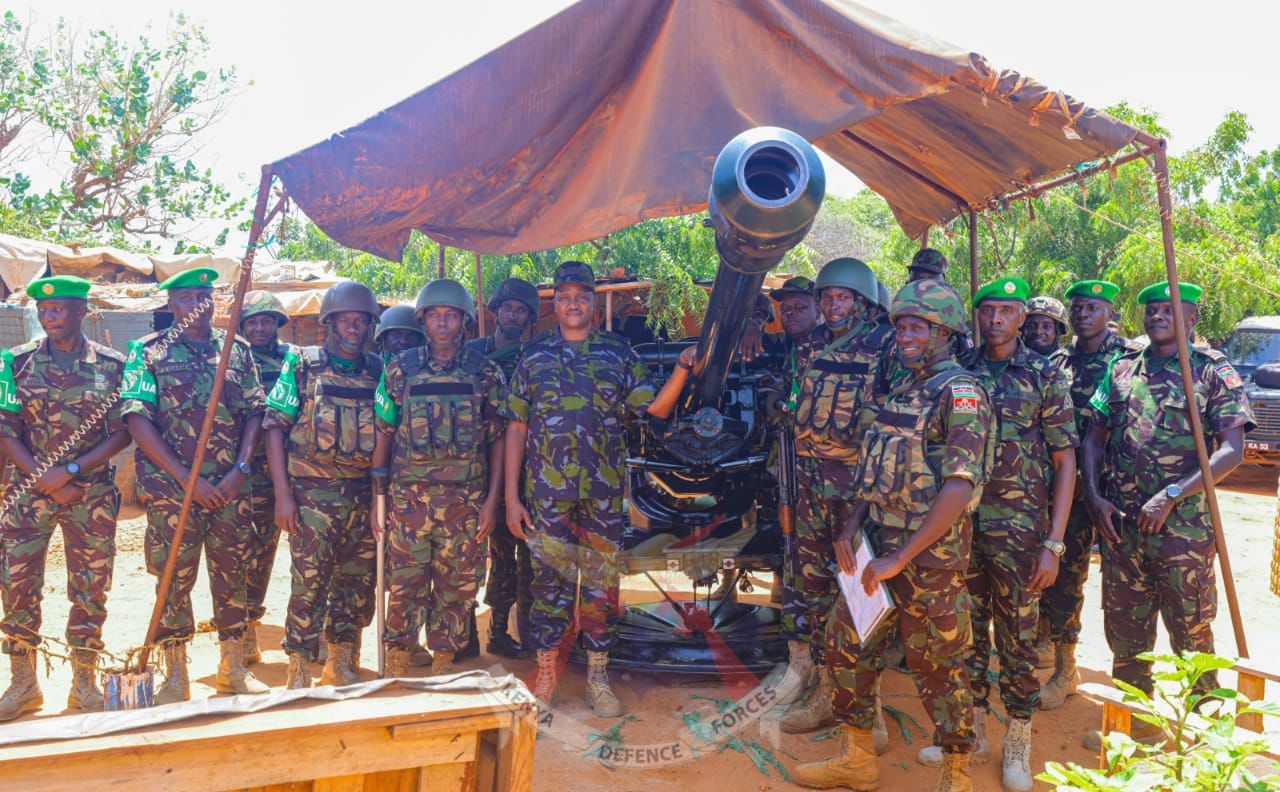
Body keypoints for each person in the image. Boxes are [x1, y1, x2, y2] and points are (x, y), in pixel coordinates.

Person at [795, 278, 992, 792]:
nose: (904, 335)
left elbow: (958, 486)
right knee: (844, 645)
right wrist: (852, 526)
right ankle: (857, 758)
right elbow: (874, 468)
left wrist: (902, 557)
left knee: (940, 668)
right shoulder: (902, 389)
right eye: (900, 325)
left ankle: (957, 773)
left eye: (916, 327)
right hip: (877, 552)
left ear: (944, 332)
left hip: (928, 561)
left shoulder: (961, 393)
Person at [923, 278, 1075, 792]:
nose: (996, 321)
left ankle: (1019, 737)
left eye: (1007, 312)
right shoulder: (956, 374)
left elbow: (1065, 459)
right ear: (977, 316)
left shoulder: (1043, 375)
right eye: (988, 311)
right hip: (959, 529)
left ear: (1020, 317)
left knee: (1018, 639)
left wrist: (1054, 543)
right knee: (964, 637)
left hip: (1019, 531)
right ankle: (973, 734)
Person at [1081, 281, 1252, 729]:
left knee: (1192, 630)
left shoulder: (1211, 372)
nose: (1158, 316)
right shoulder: (1120, 370)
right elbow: (1094, 436)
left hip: (1183, 532)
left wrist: (1173, 495)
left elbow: (1233, 450)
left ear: (1191, 319)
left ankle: (1206, 725)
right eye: (1151, 310)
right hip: (1123, 530)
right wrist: (1095, 496)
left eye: (1168, 310)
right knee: (1125, 632)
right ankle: (1133, 723)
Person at [502, 261, 655, 717]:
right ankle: (546, 672)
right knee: (548, 584)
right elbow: (515, 427)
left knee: (601, 586)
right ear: (556, 303)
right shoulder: (533, 356)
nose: (574, 303)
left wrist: (689, 369)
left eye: (582, 296)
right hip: (547, 496)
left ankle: (598, 675)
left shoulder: (620, 354)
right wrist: (512, 497)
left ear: (594, 303)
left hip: (603, 496)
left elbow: (651, 407)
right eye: (566, 296)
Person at [121, 267, 268, 701]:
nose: (195, 306)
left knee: (233, 576)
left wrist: (240, 469)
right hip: (172, 493)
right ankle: (176, 674)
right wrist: (187, 482)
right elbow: (136, 420)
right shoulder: (146, 352)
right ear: (171, 305)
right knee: (172, 579)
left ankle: (233, 667)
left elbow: (255, 412)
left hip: (228, 489)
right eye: (184, 298)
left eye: (202, 297)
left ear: (215, 301)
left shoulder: (237, 351)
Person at [0, 276, 130, 720]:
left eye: (60, 309)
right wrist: (45, 478)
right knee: (17, 587)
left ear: (82, 312)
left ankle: (84, 684)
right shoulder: (14, 364)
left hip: (89, 494)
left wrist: (71, 471)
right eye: (44, 310)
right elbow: (6, 429)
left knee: (91, 589)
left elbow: (122, 431)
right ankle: (23, 683)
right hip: (28, 493)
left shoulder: (113, 365)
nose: (50, 317)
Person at [780, 258, 894, 736]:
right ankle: (828, 689)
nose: (833, 305)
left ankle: (873, 707)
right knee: (814, 588)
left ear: (862, 302)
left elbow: (890, 427)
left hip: (855, 491)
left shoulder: (882, 348)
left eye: (843, 297)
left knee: (860, 595)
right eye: (827, 297)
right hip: (809, 485)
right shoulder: (808, 347)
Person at [373, 279, 506, 677]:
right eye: (435, 315)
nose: (443, 323)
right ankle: (398, 661)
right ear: (423, 320)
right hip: (408, 502)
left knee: (457, 589)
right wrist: (376, 500)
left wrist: (491, 501)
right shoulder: (399, 369)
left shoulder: (485, 372)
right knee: (404, 584)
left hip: (464, 504)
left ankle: (443, 665)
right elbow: (383, 432)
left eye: (451, 316)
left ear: (463, 321)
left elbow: (498, 440)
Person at [264, 281, 382, 689]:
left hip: (362, 495)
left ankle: (340, 660)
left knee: (355, 583)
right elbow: (274, 428)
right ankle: (298, 665)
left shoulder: (378, 370)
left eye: (361, 321)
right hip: (311, 495)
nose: (354, 327)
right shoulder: (302, 365)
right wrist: (283, 494)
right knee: (308, 583)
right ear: (330, 323)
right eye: (346, 320)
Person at [1038, 280, 1143, 709]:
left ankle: (1072, 670)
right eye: (1077, 307)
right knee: (1057, 572)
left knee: (1108, 586)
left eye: (1092, 307)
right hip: (1057, 485)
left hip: (1105, 490)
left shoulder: (1126, 361)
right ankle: (1059, 657)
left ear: (1108, 312)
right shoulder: (1059, 359)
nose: (1082, 314)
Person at [465, 277, 541, 659]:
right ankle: (472, 634)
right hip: (478, 467)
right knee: (477, 554)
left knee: (525, 555)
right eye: (508, 307)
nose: (513, 314)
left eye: (521, 310)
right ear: (496, 310)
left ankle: (516, 632)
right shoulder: (471, 353)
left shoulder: (535, 354)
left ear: (530, 317)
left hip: (529, 468)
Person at [238, 290, 293, 664]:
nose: (259, 328)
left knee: (312, 557)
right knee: (254, 554)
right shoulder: (234, 360)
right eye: (252, 321)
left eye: (266, 320)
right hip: (253, 473)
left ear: (277, 323)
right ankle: (246, 630)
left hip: (303, 469)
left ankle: (310, 632)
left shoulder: (295, 360)